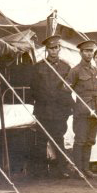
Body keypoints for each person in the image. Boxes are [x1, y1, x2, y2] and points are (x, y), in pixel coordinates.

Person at [30, 35, 73, 178]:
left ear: (59, 49)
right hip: (43, 109)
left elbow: (68, 89)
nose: (54, 51)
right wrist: (43, 100)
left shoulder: (66, 67)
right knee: (41, 139)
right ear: (47, 49)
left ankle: (61, 169)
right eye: (51, 48)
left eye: (56, 48)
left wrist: (65, 108)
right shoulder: (38, 67)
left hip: (59, 110)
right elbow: (34, 88)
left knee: (58, 138)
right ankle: (41, 170)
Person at [65, 39, 97, 178]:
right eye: (86, 51)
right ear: (80, 53)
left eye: (91, 51)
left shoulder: (95, 70)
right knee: (80, 140)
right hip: (82, 110)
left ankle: (86, 169)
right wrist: (75, 105)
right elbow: (66, 88)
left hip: (96, 109)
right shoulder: (75, 71)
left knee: (90, 140)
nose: (89, 54)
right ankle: (78, 170)